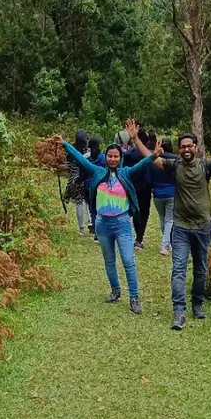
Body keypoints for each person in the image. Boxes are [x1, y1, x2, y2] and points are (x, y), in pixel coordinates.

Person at [124, 118, 211, 330]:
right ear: (179, 150)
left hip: (202, 227)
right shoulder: (174, 166)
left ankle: (197, 302)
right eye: (183, 146)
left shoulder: (206, 166)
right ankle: (178, 311)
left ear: (196, 147)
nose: (186, 149)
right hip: (180, 227)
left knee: (201, 270)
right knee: (178, 269)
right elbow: (151, 159)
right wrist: (134, 138)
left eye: (190, 145)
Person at [59, 134, 158, 314]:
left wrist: (154, 155)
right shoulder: (98, 172)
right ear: (106, 157)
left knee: (128, 261)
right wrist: (65, 144)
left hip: (122, 224)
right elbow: (81, 159)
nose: (112, 159)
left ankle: (134, 297)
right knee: (109, 260)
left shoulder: (125, 173)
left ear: (120, 158)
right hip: (102, 224)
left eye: (116, 156)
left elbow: (141, 164)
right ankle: (115, 290)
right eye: (110, 156)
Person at [63, 129, 93, 235]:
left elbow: (66, 165)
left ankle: (81, 229)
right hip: (86, 179)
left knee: (79, 203)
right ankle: (91, 222)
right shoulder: (88, 151)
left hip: (74, 180)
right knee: (88, 202)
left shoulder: (71, 150)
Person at [151, 136, 176, 255]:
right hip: (171, 192)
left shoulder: (155, 160)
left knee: (163, 218)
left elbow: (149, 178)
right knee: (170, 220)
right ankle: (165, 244)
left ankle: (167, 243)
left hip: (157, 193)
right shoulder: (176, 159)